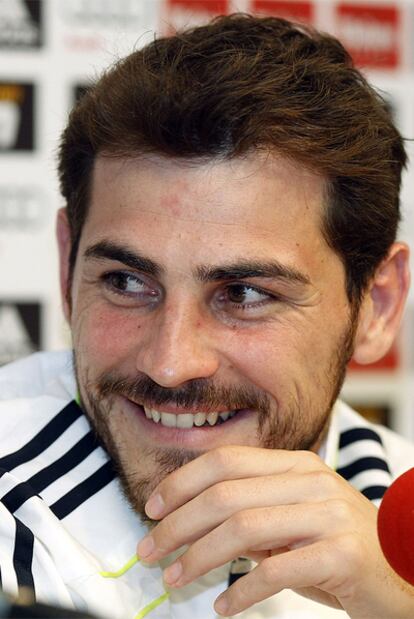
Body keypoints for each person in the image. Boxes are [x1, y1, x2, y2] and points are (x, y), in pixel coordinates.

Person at [0, 12, 413, 619]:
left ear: (375, 305)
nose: (170, 363)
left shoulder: (398, 500)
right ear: (67, 267)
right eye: (127, 282)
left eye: (244, 294)